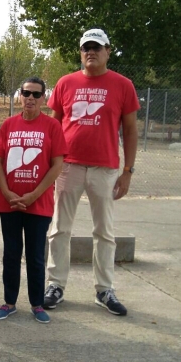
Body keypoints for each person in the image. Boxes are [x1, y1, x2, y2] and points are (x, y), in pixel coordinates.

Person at [44, 28, 139, 316]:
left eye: (97, 47)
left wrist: (127, 170)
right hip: (68, 166)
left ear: (108, 51)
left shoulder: (123, 85)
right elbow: (53, 126)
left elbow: (131, 130)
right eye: (86, 47)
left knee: (104, 232)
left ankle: (104, 290)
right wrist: (50, 165)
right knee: (60, 228)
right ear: (80, 52)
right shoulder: (66, 83)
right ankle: (55, 285)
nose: (91, 52)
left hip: (105, 168)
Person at [0, 77, 66, 323]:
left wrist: (34, 195)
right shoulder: (9, 125)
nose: (30, 98)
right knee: (11, 254)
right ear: (20, 96)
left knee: (35, 256)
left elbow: (57, 165)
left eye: (36, 94)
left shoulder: (52, 126)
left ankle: (37, 304)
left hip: (39, 204)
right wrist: (6, 191)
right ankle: (9, 302)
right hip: (10, 203)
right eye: (26, 93)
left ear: (44, 98)